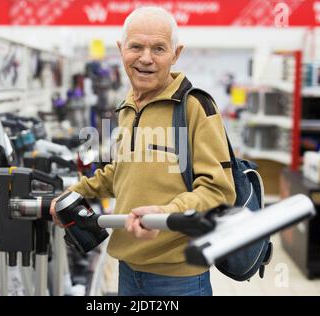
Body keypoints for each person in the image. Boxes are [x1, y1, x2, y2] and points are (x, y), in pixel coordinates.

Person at [50, 6, 236, 296]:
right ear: (121, 49)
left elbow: (219, 191)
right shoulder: (127, 106)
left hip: (179, 278)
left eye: (159, 48)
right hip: (128, 271)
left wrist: (164, 215)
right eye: (136, 46)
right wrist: (75, 192)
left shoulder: (194, 108)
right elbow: (121, 172)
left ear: (176, 53)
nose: (146, 58)